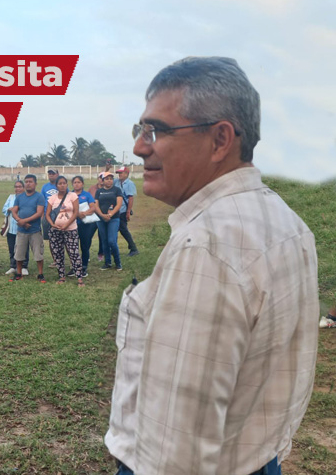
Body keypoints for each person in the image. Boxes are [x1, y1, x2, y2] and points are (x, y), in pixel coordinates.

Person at [105, 56, 319, 475]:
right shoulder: (287, 223)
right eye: (140, 130)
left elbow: (174, 457)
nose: (139, 146)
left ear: (220, 139)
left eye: (157, 130)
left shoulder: (205, 248)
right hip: (257, 457)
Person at [45, 176, 84, 286]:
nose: (62, 185)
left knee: (74, 253)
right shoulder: (52, 198)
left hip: (70, 229)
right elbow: (47, 214)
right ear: (56, 186)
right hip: (55, 231)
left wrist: (67, 224)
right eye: (60, 183)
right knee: (57, 253)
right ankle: (61, 276)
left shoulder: (72, 196)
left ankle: (79, 277)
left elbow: (76, 212)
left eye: (64, 183)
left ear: (67, 184)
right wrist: (52, 224)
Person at [10, 174, 46, 283]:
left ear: (35, 184)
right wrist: (20, 221)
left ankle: (40, 274)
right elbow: (14, 211)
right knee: (19, 253)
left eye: (30, 181)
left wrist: (24, 221)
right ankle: (19, 273)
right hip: (21, 231)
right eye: (26, 182)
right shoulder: (19, 197)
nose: (28, 184)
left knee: (38, 253)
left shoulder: (39, 197)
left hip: (35, 230)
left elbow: (39, 213)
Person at [94, 172, 123, 271]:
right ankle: (107, 262)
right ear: (103, 180)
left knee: (112, 241)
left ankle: (118, 262)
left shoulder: (117, 190)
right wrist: (102, 215)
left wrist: (110, 215)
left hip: (113, 218)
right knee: (104, 241)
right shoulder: (99, 192)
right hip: (101, 219)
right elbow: (96, 205)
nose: (109, 180)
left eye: (111, 178)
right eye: (107, 179)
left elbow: (118, 205)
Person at [71, 176, 97, 277]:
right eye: (75, 182)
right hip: (73, 224)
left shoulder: (87, 195)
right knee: (73, 246)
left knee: (85, 246)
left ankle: (84, 267)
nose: (76, 184)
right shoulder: (70, 195)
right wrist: (77, 214)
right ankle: (75, 267)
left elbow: (93, 207)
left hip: (85, 225)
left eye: (79, 182)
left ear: (82, 184)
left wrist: (85, 213)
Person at [2, 181, 29, 275]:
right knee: (12, 247)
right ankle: (13, 266)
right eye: (16, 187)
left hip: (22, 227)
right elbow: (4, 209)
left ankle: (24, 266)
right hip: (11, 228)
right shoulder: (11, 197)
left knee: (23, 248)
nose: (18, 189)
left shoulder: (27, 197)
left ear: (24, 187)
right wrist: (9, 209)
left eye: (20, 187)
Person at [114, 166, 139, 257]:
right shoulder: (116, 182)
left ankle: (133, 248)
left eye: (121, 173)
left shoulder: (129, 184)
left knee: (123, 229)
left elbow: (130, 198)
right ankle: (115, 248)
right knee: (118, 229)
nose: (119, 175)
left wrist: (128, 212)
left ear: (126, 174)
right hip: (116, 210)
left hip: (123, 210)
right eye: (118, 173)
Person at [41, 169, 59, 246]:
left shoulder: (61, 185)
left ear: (57, 175)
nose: (51, 175)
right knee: (48, 237)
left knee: (59, 235)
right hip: (47, 214)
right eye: (49, 174)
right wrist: (42, 216)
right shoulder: (45, 187)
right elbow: (41, 201)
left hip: (59, 215)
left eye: (53, 174)